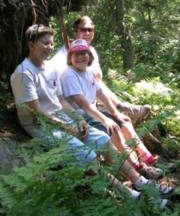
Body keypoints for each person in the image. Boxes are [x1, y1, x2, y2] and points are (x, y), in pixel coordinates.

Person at [10, 24, 174, 209]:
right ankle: (130, 195)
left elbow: (61, 101)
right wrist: (68, 128)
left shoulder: (50, 68)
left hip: (62, 119)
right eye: (45, 43)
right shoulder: (24, 74)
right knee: (84, 153)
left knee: (103, 139)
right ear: (31, 45)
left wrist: (78, 120)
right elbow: (37, 112)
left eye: (51, 43)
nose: (49, 47)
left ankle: (139, 181)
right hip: (41, 126)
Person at [61, 39, 176, 180]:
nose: (80, 57)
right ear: (70, 57)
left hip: (92, 112)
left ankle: (150, 160)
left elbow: (100, 94)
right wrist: (105, 120)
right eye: (76, 54)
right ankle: (139, 168)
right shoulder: (69, 74)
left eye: (84, 53)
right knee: (114, 132)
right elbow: (82, 102)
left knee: (125, 125)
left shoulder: (88, 71)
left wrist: (116, 113)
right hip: (81, 116)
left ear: (90, 56)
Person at [51, 15, 151, 122]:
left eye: (90, 30)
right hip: (77, 106)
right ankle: (122, 107)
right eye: (83, 30)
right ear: (75, 33)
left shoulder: (91, 52)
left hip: (93, 101)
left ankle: (120, 109)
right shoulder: (66, 52)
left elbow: (97, 84)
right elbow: (52, 72)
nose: (87, 33)